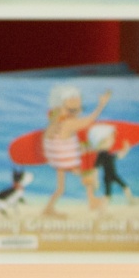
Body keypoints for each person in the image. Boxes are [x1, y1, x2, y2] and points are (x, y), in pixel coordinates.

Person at [40, 85, 111, 216]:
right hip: (66, 160)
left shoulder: (53, 121)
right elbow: (89, 120)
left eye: (79, 109)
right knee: (89, 173)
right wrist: (101, 105)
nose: (77, 113)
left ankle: (48, 209)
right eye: (73, 110)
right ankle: (92, 202)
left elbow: (55, 141)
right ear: (63, 107)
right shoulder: (68, 123)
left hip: (57, 160)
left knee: (60, 188)